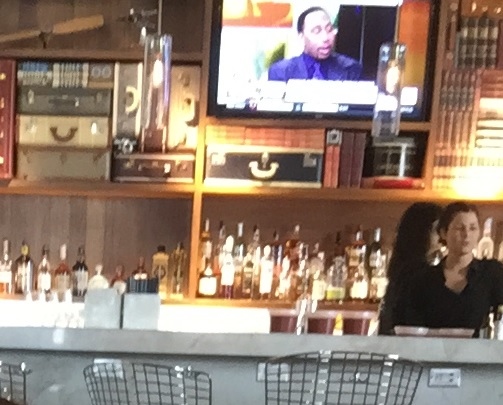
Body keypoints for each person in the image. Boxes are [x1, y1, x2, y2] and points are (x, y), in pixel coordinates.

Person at [405, 202, 503, 336]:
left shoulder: (492, 273)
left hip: (479, 349)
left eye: (473, 228)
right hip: (432, 348)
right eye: (460, 228)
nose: (466, 234)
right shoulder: (424, 279)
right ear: (443, 233)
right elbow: (412, 327)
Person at [378, 202, 443, 335]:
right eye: (437, 229)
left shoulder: (401, 269)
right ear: (421, 231)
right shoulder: (418, 274)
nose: (442, 235)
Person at [268, 6, 362, 82]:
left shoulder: (351, 69)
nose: (325, 38)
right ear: (301, 36)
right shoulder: (281, 71)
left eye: (329, 30)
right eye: (317, 31)